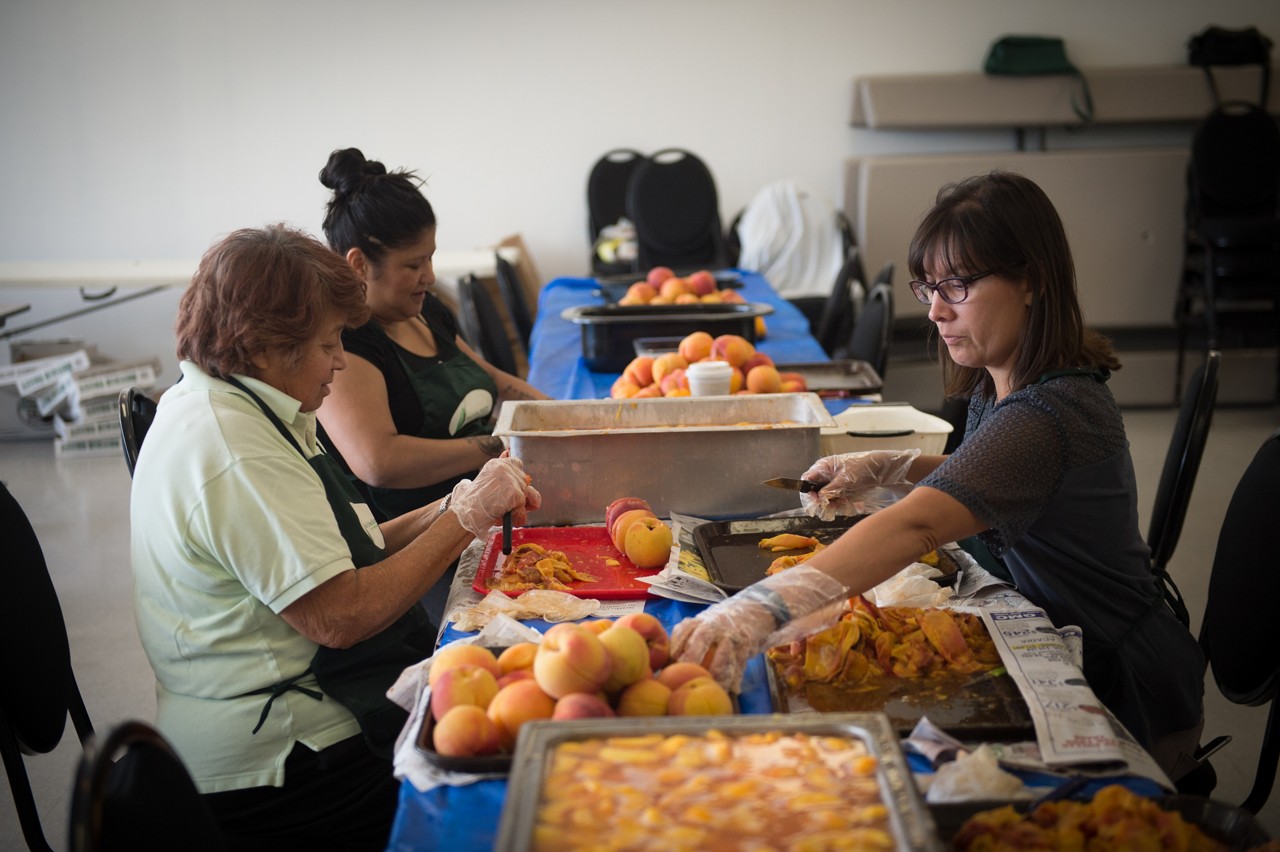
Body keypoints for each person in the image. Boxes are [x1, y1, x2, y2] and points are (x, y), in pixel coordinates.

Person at [671, 171, 1205, 776]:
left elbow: (920, 526)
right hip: (1062, 632)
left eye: (959, 285)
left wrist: (761, 607)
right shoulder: (1006, 382)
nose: (936, 311)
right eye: (928, 287)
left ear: (1031, 279)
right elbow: (994, 474)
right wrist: (890, 467)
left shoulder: (1051, 412)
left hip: (1121, 681)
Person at [130, 224, 540, 850]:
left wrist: (456, 503)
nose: (341, 362)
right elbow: (339, 615)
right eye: (328, 345)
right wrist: (466, 520)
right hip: (283, 762)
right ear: (267, 346)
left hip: (299, 716)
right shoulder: (233, 448)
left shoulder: (245, 405)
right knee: (504, 788)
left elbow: (353, 543)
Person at [315, 147, 550, 526]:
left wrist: (565, 419)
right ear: (359, 263)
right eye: (413, 264)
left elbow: (493, 381)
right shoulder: (345, 341)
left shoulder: (424, 311)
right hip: (415, 537)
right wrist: (499, 445)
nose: (429, 275)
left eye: (430, 257)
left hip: (485, 510)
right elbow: (378, 462)